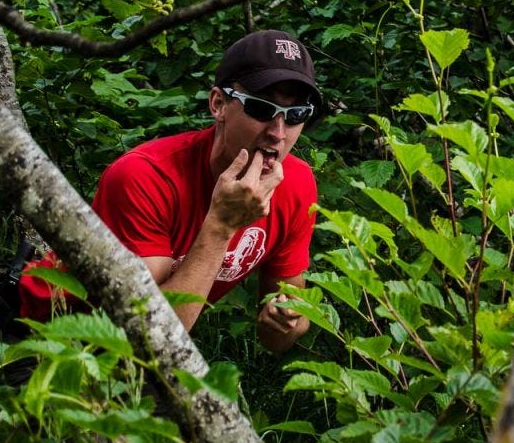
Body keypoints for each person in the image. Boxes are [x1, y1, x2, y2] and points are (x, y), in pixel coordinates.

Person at [19, 29, 320, 353]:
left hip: (135, 351)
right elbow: (149, 337)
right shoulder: (144, 177)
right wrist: (221, 225)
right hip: (42, 333)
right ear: (218, 104)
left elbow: (279, 337)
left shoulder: (296, 186)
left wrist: (289, 320)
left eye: (295, 115)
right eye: (262, 109)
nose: (278, 133)